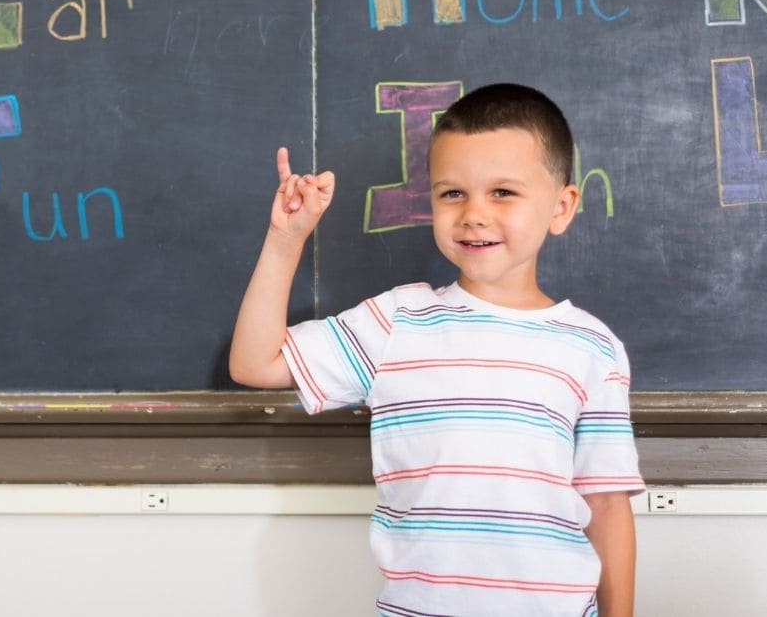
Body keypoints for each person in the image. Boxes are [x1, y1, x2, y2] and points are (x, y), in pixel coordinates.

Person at [230, 83, 644, 617]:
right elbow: (253, 363)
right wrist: (287, 238)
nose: (473, 214)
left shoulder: (592, 348)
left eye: (503, 193)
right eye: (453, 193)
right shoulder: (397, 321)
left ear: (561, 207)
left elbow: (607, 507)